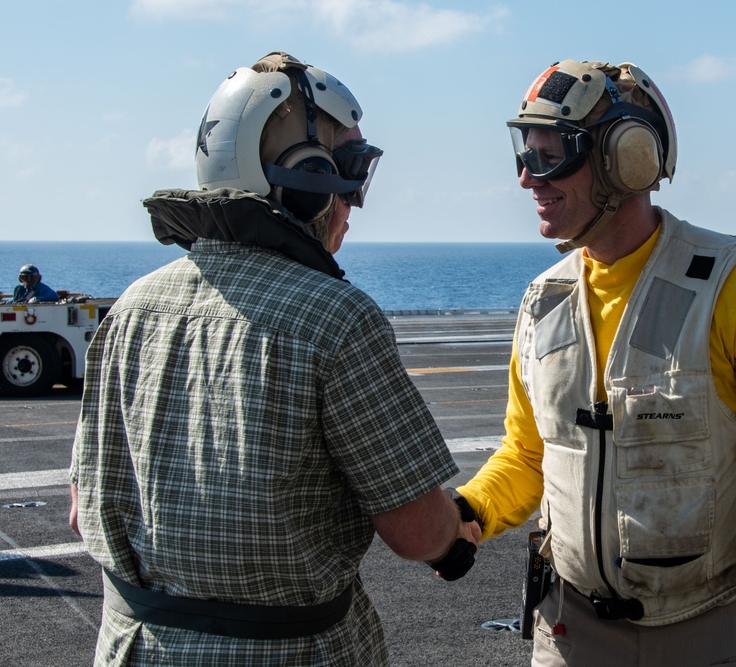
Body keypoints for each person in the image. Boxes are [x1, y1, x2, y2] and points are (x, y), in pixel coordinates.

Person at [69, 51, 480, 666]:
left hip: (132, 647)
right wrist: (455, 537)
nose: (352, 204)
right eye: (350, 174)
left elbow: (82, 511)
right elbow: (417, 530)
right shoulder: (338, 318)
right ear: (308, 178)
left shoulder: (131, 307)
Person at [456, 60, 736, 666]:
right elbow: (528, 454)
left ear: (627, 161)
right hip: (569, 634)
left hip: (715, 633)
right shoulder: (544, 301)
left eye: (551, 156)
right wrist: (470, 511)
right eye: (525, 154)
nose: (527, 179)